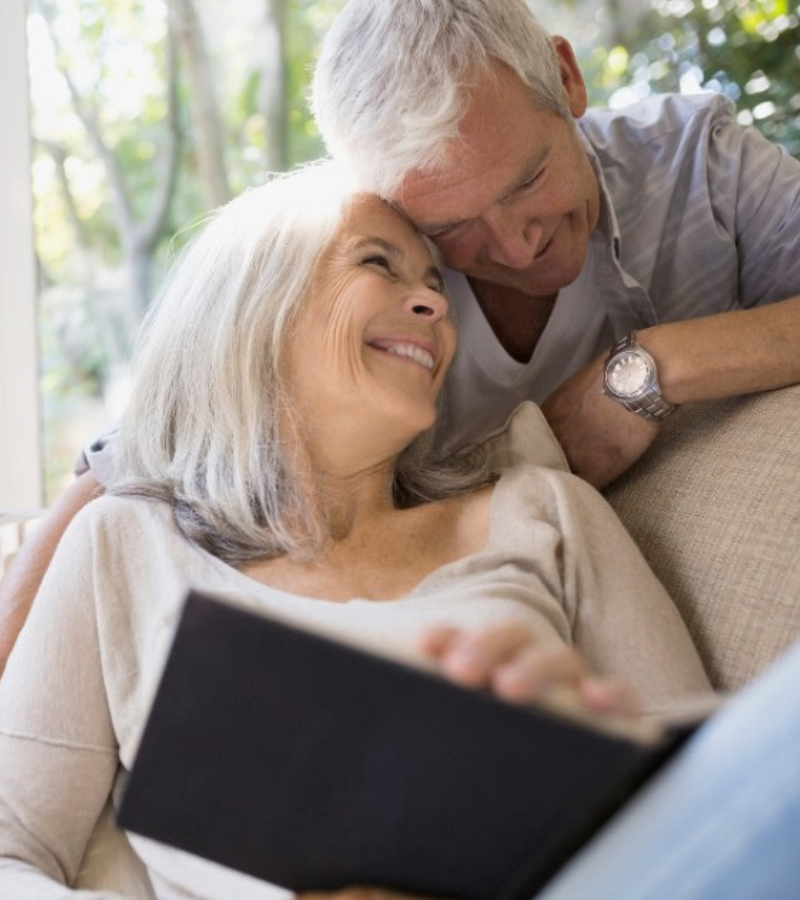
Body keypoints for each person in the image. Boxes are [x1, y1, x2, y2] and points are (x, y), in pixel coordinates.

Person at [2, 0, 800, 675]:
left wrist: (657, 363)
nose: (518, 245)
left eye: (527, 179)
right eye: (451, 225)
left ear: (566, 77)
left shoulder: (703, 165)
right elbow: (117, 471)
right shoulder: (376, 300)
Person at [0, 162, 719, 897]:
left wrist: (579, 787)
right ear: (251, 305)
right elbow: (9, 852)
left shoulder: (547, 513)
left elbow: (713, 811)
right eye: (379, 264)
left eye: (436, 284)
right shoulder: (123, 544)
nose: (435, 307)